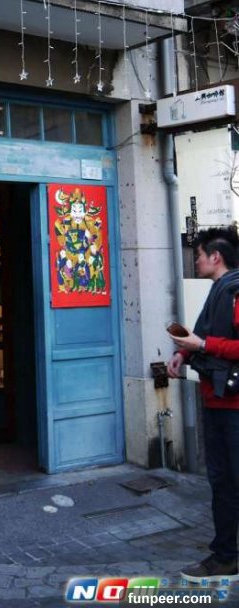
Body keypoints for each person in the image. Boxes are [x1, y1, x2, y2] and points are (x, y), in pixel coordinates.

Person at [167, 226, 239, 583]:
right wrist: (184, 352)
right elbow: (204, 334)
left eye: (198, 255)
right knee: (222, 483)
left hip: (234, 406)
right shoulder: (218, 289)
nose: (195, 261)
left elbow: (214, 341)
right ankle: (225, 558)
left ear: (216, 257)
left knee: (230, 482)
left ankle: (226, 557)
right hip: (216, 401)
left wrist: (203, 345)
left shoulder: (234, 290)